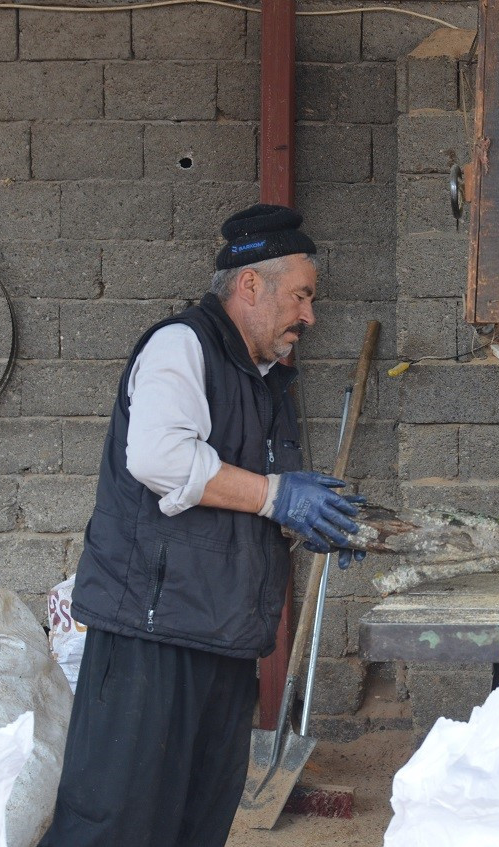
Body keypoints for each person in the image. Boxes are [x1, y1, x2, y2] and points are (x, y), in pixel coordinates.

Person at [39, 204, 365, 847]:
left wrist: (312, 521)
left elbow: (245, 505)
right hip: (150, 639)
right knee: (116, 825)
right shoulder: (182, 345)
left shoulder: (268, 382)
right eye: (300, 296)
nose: (310, 315)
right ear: (251, 285)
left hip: (223, 640)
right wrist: (278, 497)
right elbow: (159, 458)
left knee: (196, 823)